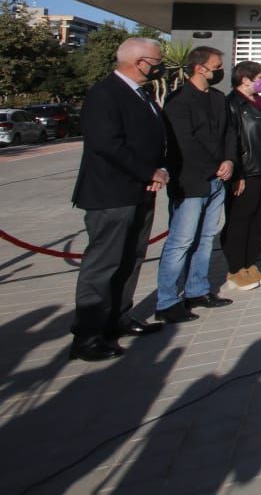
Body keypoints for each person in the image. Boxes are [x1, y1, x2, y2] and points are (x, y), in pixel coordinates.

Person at [68, 37, 170, 362]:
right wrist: (149, 172)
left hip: (140, 190)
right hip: (111, 194)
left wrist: (160, 169)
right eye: (156, 60)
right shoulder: (104, 94)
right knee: (103, 264)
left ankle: (119, 318)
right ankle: (89, 334)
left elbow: (156, 138)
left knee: (131, 257)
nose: (160, 65)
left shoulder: (143, 94)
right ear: (138, 62)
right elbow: (106, 144)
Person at [155, 46, 238, 324]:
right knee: (181, 242)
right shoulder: (179, 101)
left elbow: (228, 131)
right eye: (216, 66)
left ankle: (197, 289)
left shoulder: (217, 98)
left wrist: (228, 160)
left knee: (205, 238)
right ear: (200, 68)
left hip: (218, 178)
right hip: (191, 181)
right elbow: (184, 143)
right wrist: (212, 166)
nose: (219, 71)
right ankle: (167, 301)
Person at [224, 61, 261, 292]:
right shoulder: (232, 104)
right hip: (247, 171)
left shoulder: (260, 103)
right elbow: (232, 141)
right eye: (260, 76)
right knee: (240, 219)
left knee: (258, 218)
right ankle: (236, 269)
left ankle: (250, 263)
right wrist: (238, 173)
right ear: (245, 79)